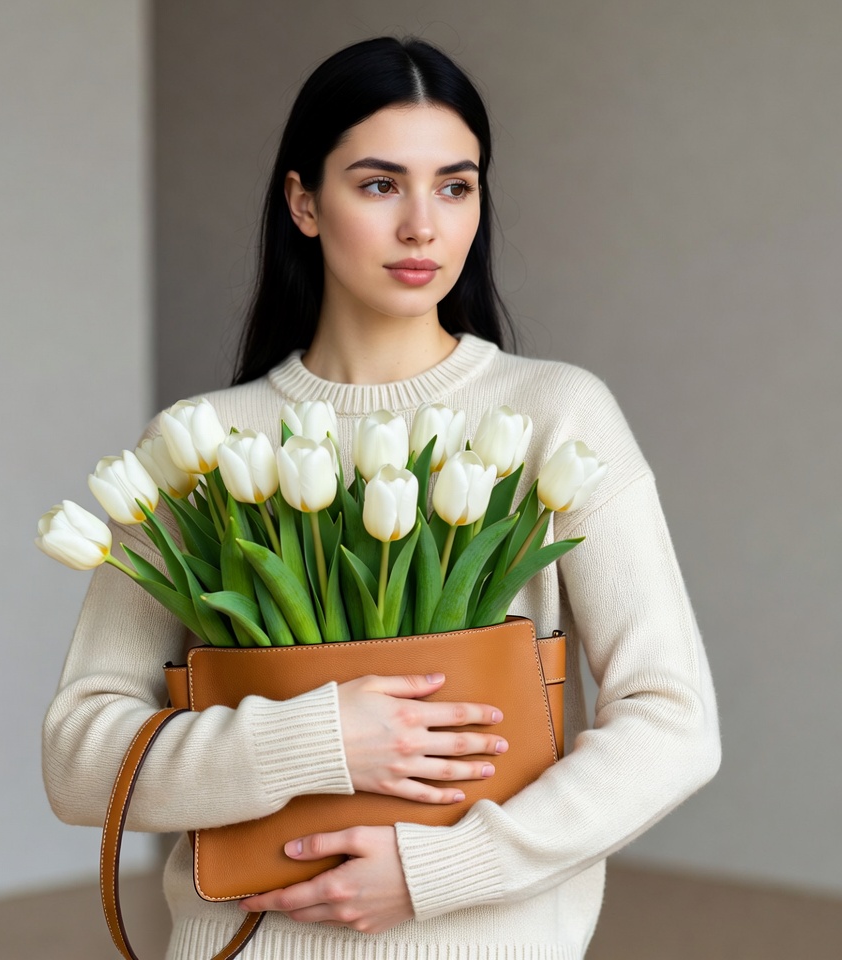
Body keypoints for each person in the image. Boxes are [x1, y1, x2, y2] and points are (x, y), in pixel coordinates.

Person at [42, 36, 720, 959]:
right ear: (303, 202)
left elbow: (674, 724)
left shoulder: (553, 416)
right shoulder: (203, 446)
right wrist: (322, 737)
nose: (422, 227)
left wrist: (438, 868)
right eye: (378, 185)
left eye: (455, 186)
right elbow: (80, 762)